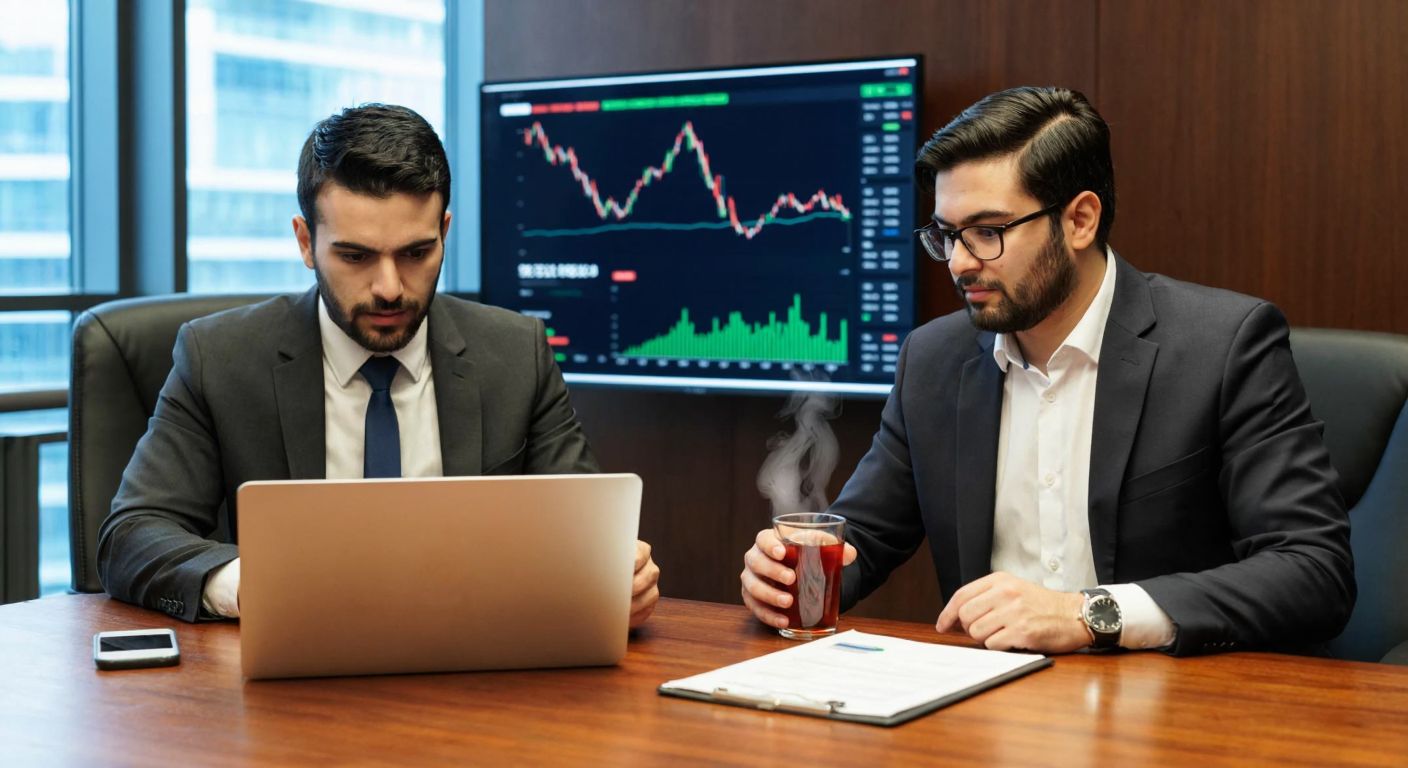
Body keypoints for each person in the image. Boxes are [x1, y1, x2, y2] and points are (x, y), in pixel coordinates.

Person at [741, 87, 1353, 656]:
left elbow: (1312, 571)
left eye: (987, 232)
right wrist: (790, 576)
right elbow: (863, 544)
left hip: (1177, 711)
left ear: (1079, 220)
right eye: (946, 235)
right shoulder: (932, 359)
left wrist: (1089, 614)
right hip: (989, 712)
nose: (958, 263)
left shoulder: (1223, 346)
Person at [99, 104, 660, 627]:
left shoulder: (516, 352)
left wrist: (610, 577)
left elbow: (588, 533)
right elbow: (131, 536)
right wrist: (254, 584)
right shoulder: (218, 357)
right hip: (289, 687)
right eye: (356, 256)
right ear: (305, 243)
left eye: (416, 253)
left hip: (475, 671)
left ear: (444, 233)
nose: (390, 288)